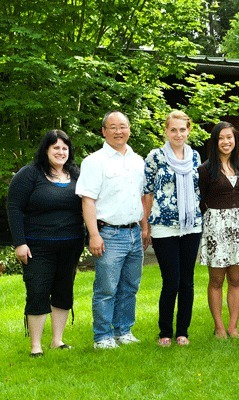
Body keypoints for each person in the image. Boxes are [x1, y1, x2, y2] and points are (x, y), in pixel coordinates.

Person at [7, 130, 84, 357]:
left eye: (64, 148)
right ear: (46, 150)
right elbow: (14, 208)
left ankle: (57, 341)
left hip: (71, 245)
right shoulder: (29, 174)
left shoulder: (76, 174)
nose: (61, 152)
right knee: (38, 291)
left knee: (63, 291)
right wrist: (19, 242)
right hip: (37, 246)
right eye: (56, 147)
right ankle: (36, 346)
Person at [76, 110, 147, 349]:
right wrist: (94, 234)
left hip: (134, 232)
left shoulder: (138, 161)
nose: (119, 131)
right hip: (109, 234)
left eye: (123, 126)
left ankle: (124, 331)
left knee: (130, 286)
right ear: (104, 131)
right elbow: (88, 200)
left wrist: (144, 228)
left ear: (129, 129)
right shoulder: (95, 161)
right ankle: (102, 337)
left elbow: (142, 196)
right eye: (113, 127)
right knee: (106, 288)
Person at [143, 111, 202, 347]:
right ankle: (165, 331)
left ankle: (183, 332)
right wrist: (145, 225)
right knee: (171, 281)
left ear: (189, 131)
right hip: (163, 228)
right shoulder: (155, 157)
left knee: (187, 281)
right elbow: (146, 192)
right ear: (166, 131)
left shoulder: (195, 157)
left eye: (182, 129)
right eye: (173, 129)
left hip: (191, 226)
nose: (178, 134)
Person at [198, 121, 239, 339]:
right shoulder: (205, 170)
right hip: (216, 229)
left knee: (236, 280)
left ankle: (233, 326)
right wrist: (215, 220)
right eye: (221, 138)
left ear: (235, 140)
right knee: (216, 280)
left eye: (229, 137)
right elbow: (201, 200)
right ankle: (219, 327)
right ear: (214, 142)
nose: (226, 142)